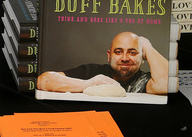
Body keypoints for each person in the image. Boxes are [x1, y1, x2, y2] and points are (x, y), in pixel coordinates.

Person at [37, 31, 169, 94]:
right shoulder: (92, 72)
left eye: (132, 52)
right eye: (118, 52)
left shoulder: (147, 81)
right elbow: (44, 80)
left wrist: (148, 47)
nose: (124, 58)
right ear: (109, 56)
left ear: (143, 58)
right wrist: (88, 83)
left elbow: (165, 84)